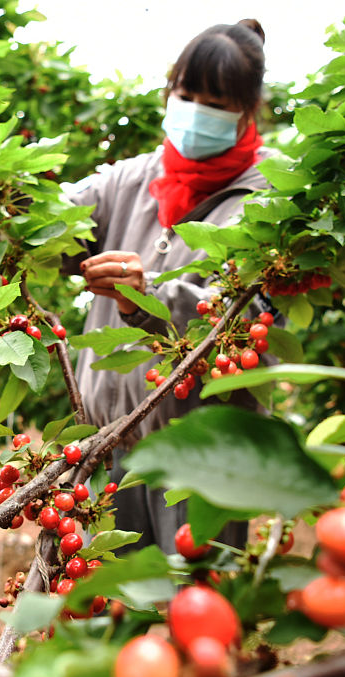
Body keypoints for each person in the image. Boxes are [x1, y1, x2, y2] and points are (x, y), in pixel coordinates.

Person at [62, 20, 273, 554]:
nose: (196, 111)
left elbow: (245, 325)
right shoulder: (131, 180)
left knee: (192, 610)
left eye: (216, 103)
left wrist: (147, 294)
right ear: (169, 93)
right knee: (112, 616)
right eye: (187, 95)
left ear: (248, 111)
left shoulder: (270, 203)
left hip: (202, 461)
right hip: (110, 446)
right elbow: (51, 224)